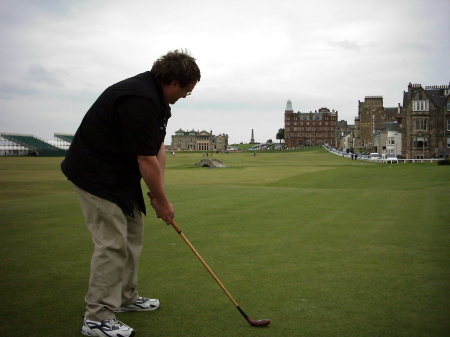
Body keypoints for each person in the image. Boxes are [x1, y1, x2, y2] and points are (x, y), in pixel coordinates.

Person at [61, 49, 201, 337]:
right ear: (173, 81)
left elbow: (156, 148)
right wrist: (162, 202)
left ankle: (125, 297)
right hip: (95, 175)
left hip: (120, 176)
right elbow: (144, 159)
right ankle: (97, 317)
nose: (187, 95)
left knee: (133, 234)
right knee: (112, 243)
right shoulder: (139, 99)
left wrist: (157, 192)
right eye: (186, 90)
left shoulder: (160, 103)